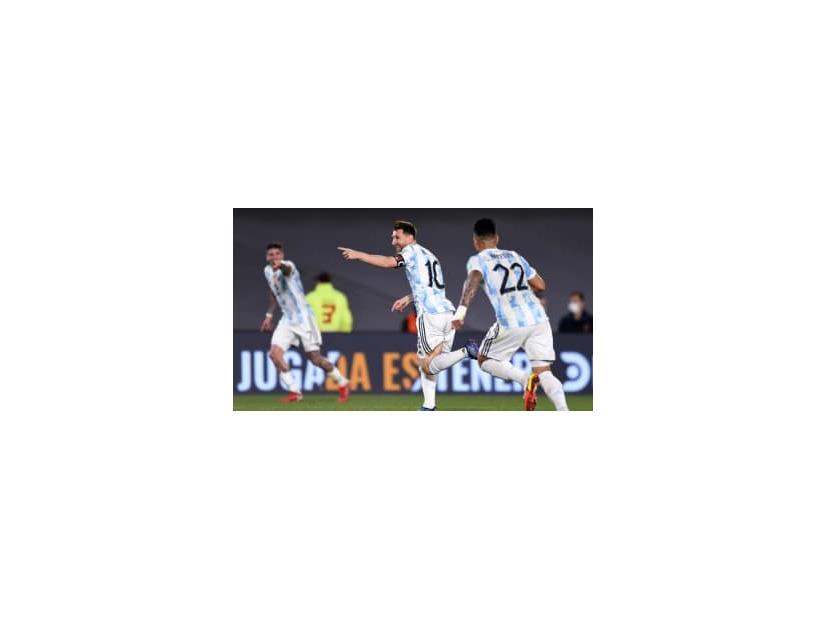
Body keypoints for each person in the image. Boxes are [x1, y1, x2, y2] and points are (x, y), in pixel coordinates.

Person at [338, 220, 479, 411]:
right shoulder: (430, 255)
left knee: (426, 364)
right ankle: (429, 406)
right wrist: (408, 298)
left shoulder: (410, 252)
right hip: (447, 312)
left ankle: (465, 352)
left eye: (397, 237)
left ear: (410, 237)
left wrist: (359, 255)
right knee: (436, 362)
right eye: (393, 238)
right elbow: (430, 287)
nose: (393, 242)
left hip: (430, 315)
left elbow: (388, 262)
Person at [451, 218, 569, 411]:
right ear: (496, 238)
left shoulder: (478, 260)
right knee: (544, 372)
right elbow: (540, 285)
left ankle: (524, 379)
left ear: (475, 241)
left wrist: (461, 312)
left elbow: (473, 279)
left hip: (511, 319)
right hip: (538, 318)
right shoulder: (515, 256)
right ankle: (564, 411)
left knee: (484, 360)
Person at [259, 243, 350, 403]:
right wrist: (269, 315)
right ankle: (294, 391)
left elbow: (286, 269)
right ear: (267, 257)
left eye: (277, 254)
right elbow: (274, 293)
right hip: (287, 319)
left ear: (282, 255)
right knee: (274, 355)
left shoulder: (289, 266)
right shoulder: (267, 271)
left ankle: (342, 382)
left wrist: (281, 265)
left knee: (315, 359)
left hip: (304, 318)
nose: (274, 257)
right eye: (271, 254)